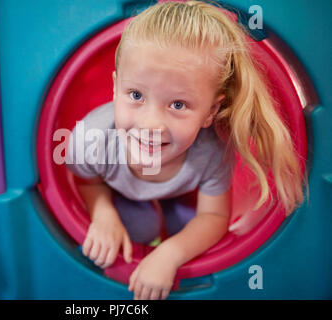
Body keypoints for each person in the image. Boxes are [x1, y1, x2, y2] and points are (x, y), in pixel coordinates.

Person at [64, 0, 305, 300]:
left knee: (185, 229)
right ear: (115, 88)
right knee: (141, 226)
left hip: (181, 198)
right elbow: (87, 179)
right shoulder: (91, 137)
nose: (151, 123)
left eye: (178, 104)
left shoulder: (212, 150)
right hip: (121, 195)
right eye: (136, 95)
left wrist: (169, 255)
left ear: (210, 111)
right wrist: (102, 213)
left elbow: (214, 217)